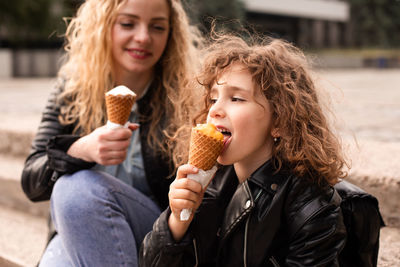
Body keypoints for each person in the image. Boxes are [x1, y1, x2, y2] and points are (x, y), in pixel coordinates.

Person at [139, 34, 349, 266]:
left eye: (236, 99)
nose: (215, 110)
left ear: (280, 120)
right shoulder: (208, 186)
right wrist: (177, 222)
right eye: (212, 99)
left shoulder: (310, 207)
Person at [21, 0, 201, 266]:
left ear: (171, 34)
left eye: (158, 27)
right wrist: (81, 149)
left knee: (76, 189)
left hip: (154, 236)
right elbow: (31, 181)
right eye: (128, 24)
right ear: (103, 26)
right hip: (81, 229)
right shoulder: (72, 91)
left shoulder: (185, 98)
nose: (143, 37)